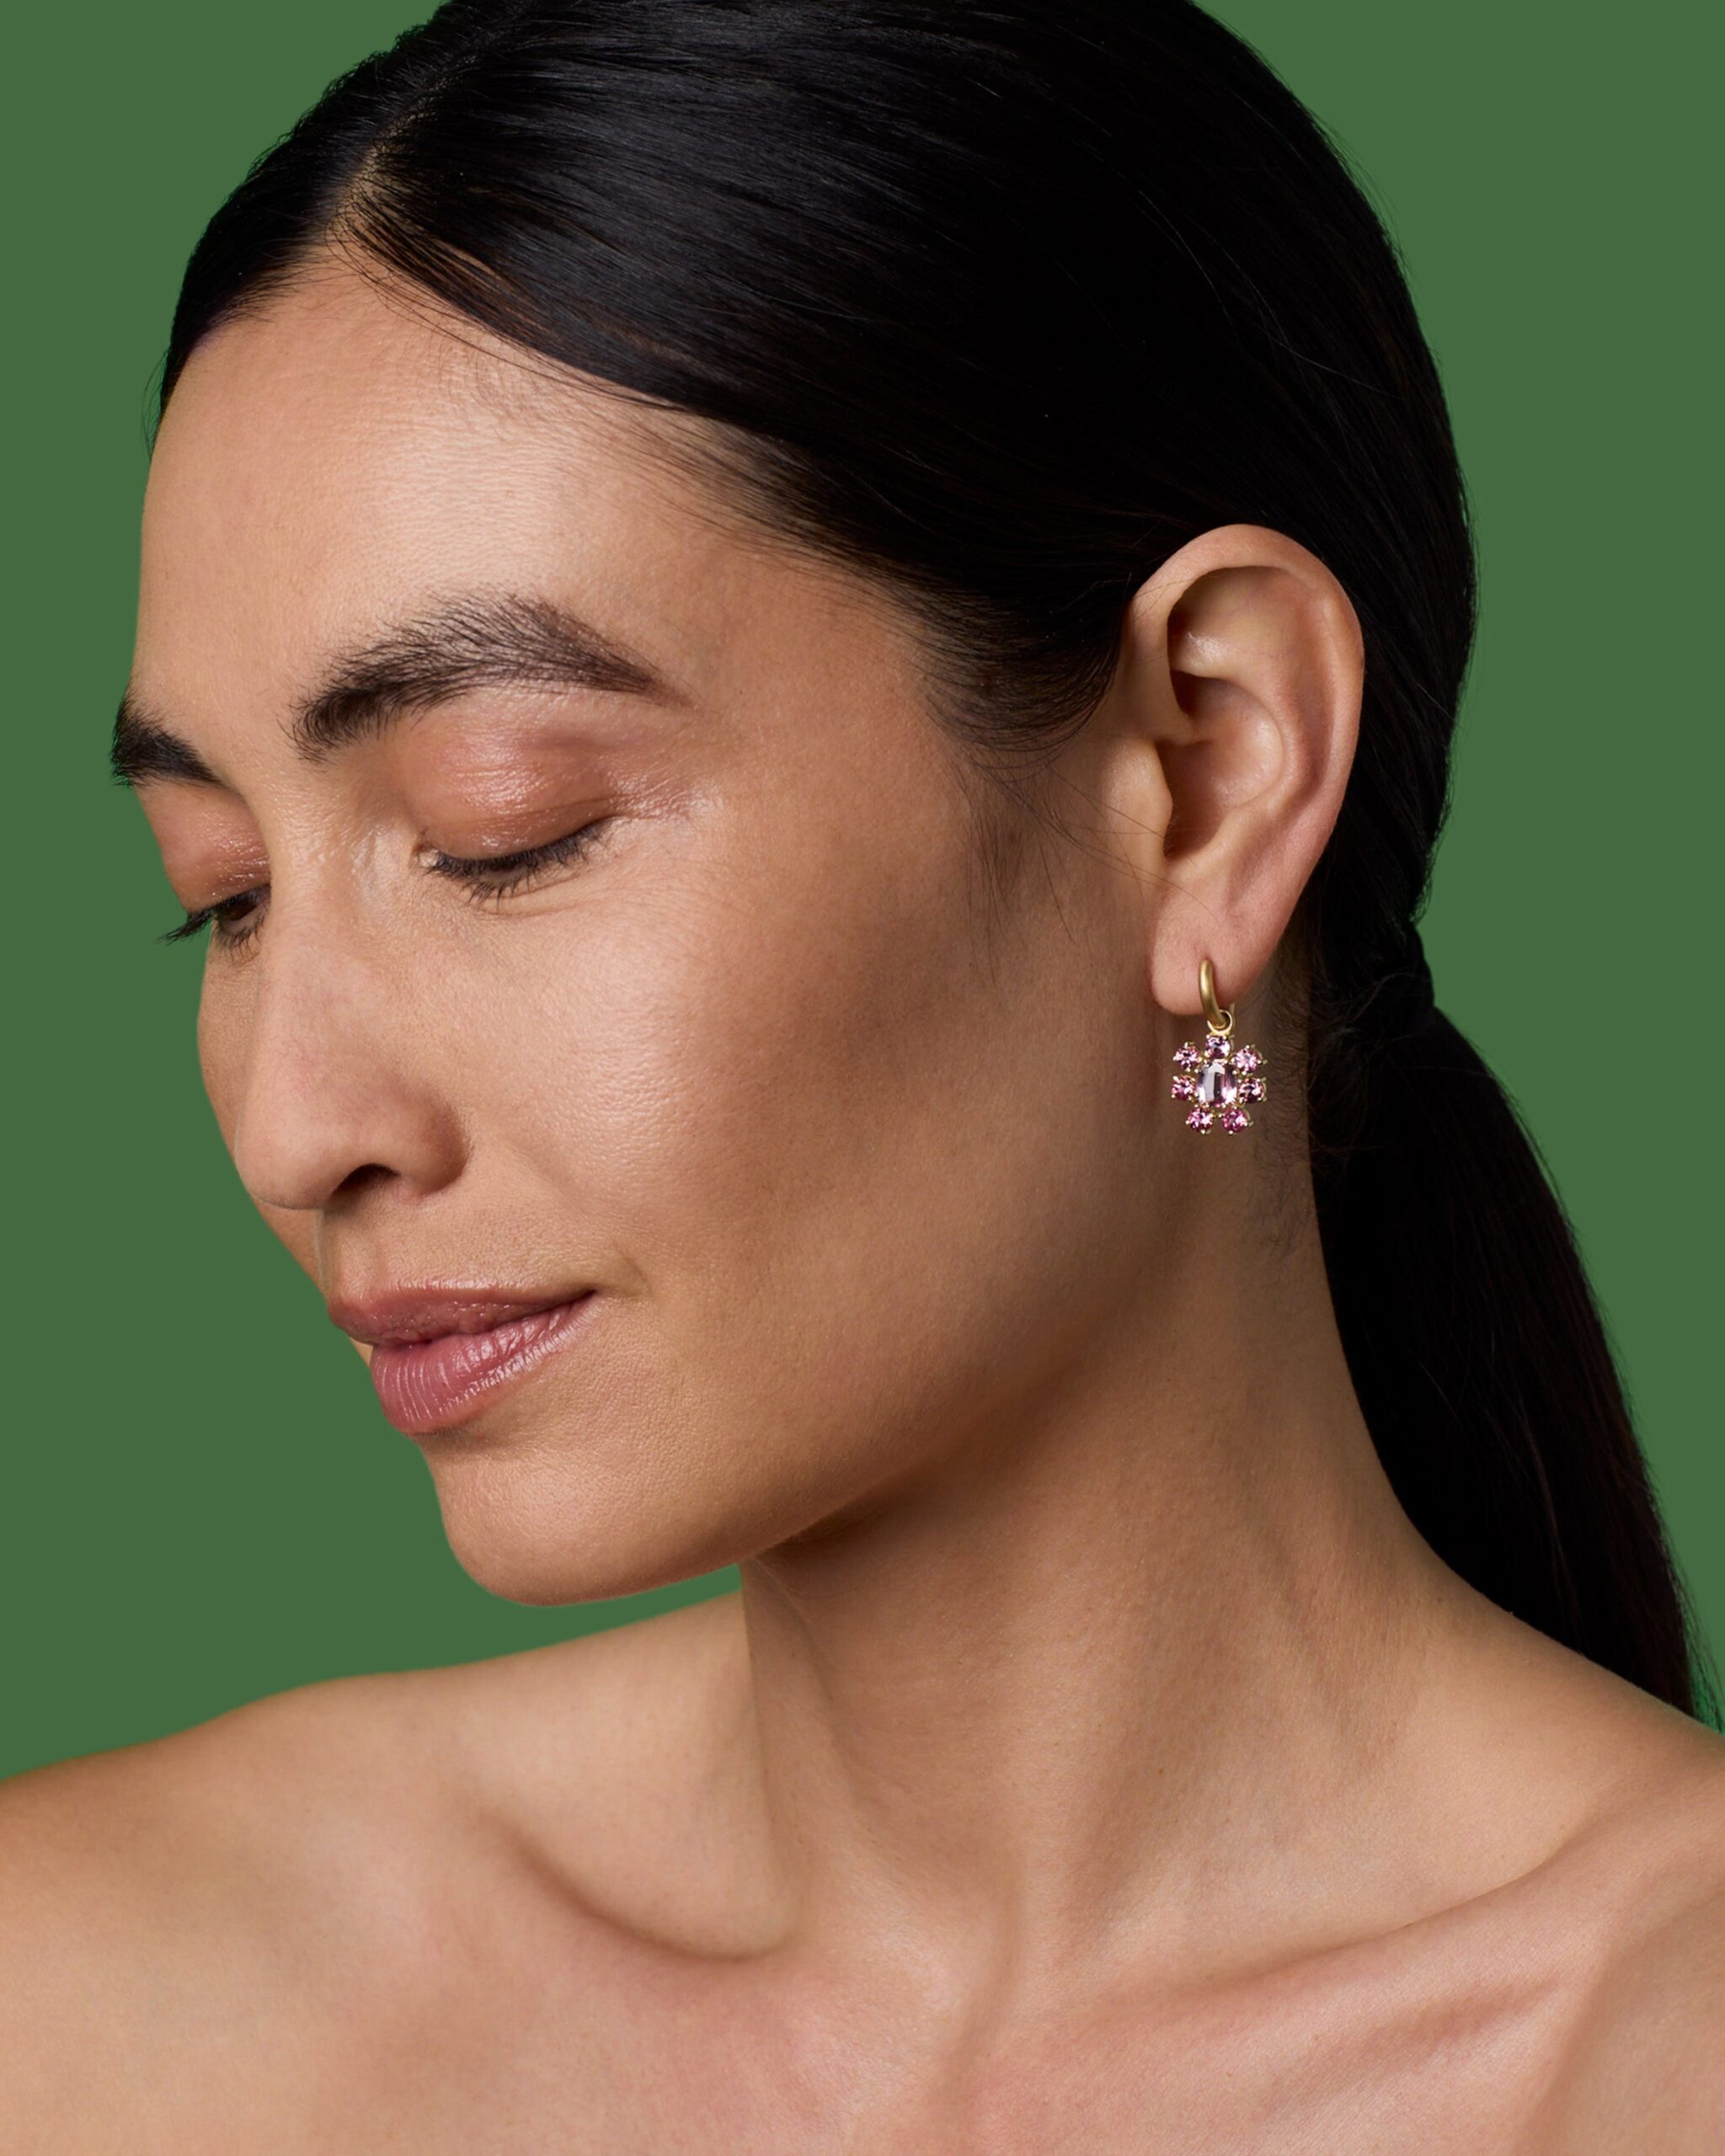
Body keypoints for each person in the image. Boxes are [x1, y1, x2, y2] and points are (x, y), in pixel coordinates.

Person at [4, 1, 1721, 2146]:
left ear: (1209, 770)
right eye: (226, 892)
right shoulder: (83, 2002)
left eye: (505, 827)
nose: (297, 1124)